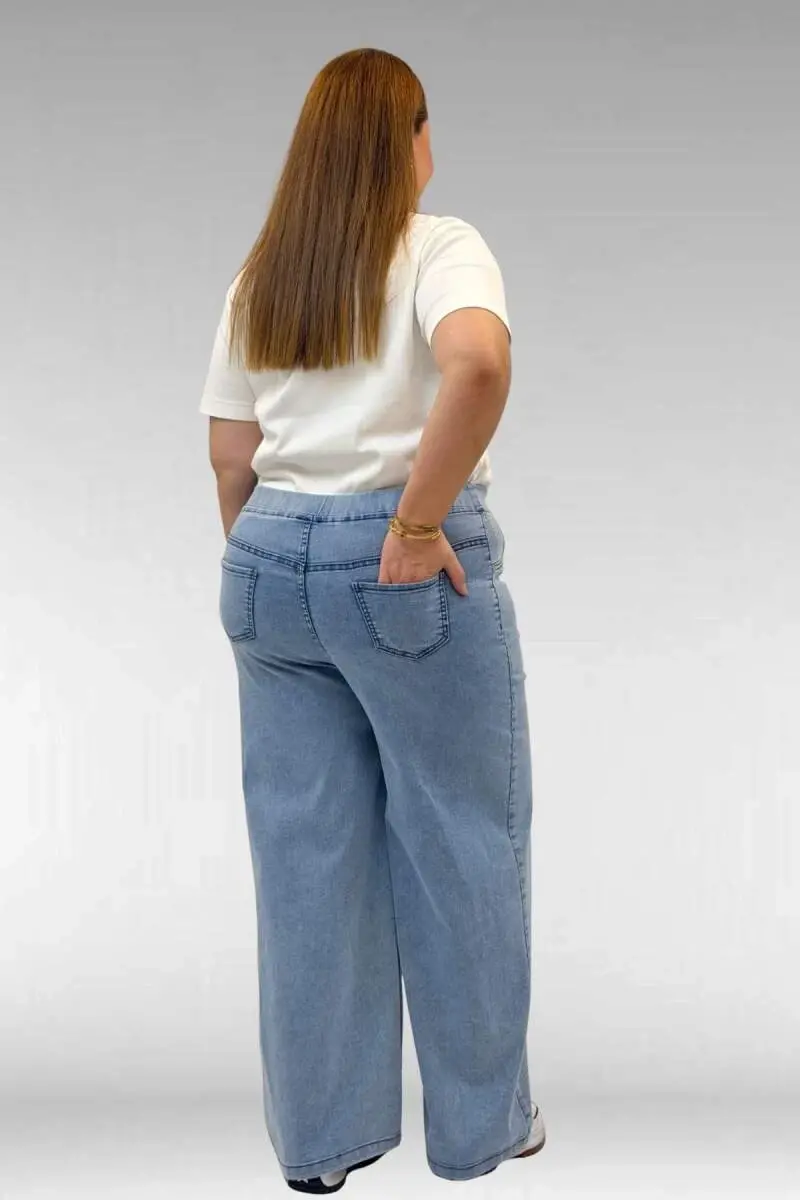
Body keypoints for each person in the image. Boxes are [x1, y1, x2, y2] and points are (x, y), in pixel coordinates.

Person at [198, 46, 544, 1194]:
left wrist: (275, 568)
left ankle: (322, 1144)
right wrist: (412, 523)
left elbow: (231, 453)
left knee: (305, 860)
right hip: (399, 568)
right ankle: (479, 1130)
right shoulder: (439, 248)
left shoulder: (266, 274)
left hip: (266, 564)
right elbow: (477, 364)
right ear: (410, 140)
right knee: (457, 842)